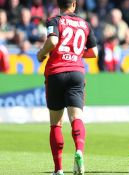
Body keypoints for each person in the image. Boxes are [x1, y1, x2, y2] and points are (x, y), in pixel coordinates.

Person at [36, 0, 98, 175]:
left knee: (56, 124)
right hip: (77, 73)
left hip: (56, 72)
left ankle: (59, 170)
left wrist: (42, 53)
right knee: (76, 117)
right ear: (74, 4)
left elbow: (53, 41)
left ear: (58, 3)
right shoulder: (85, 24)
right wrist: (74, 53)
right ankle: (79, 150)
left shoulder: (54, 20)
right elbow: (94, 53)